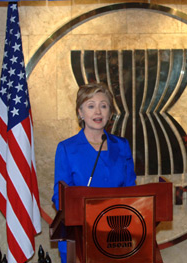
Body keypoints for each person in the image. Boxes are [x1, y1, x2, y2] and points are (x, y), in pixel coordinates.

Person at [51, 82, 136, 263]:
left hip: (117, 237)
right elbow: (60, 196)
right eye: (91, 106)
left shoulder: (122, 146)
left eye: (103, 106)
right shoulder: (66, 148)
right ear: (80, 113)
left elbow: (132, 192)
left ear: (110, 113)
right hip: (80, 238)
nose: (98, 112)